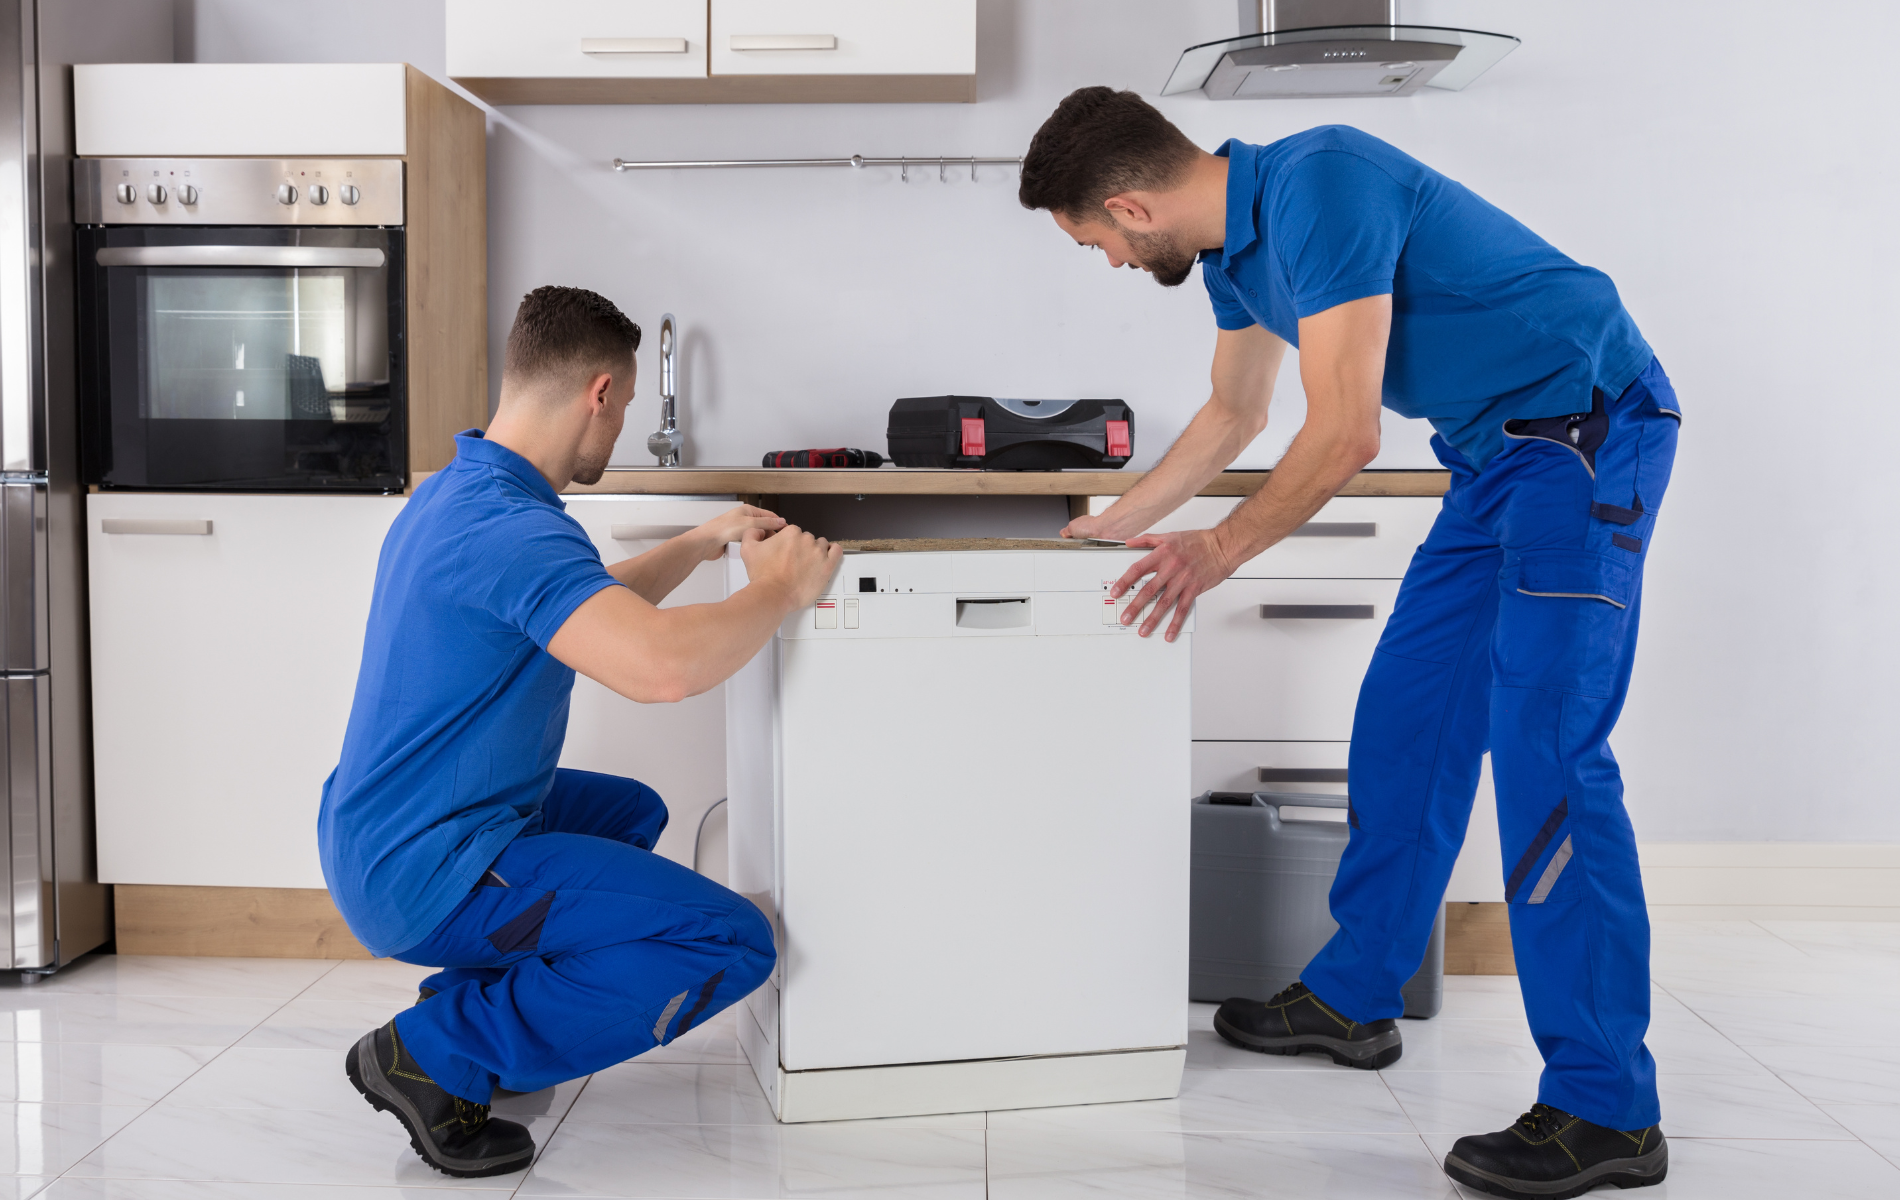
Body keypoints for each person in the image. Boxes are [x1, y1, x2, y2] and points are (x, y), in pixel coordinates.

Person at [1020, 88, 1677, 1199]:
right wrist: (1116, 522)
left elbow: (1344, 431)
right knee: (1407, 724)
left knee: (1548, 756)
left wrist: (1214, 552)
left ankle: (1607, 1106)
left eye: (1097, 244)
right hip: (1492, 461)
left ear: (1131, 209)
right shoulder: (1236, 254)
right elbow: (1234, 414)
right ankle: (1354, 995)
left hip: (1585, 437)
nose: (1112, 263)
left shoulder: (1323, 179)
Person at [319, 285, 840, 1178]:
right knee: (726, 941)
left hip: (388, 833)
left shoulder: (465, 492)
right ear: (600, 392)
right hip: (425, 868)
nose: (622, 429)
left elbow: (588, 607)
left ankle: (488, 1017)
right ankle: (434, 1051)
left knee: (625, 814)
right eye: (627, 408)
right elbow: (659, 668)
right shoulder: (511, 530)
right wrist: (779, 590)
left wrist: (701, 538)